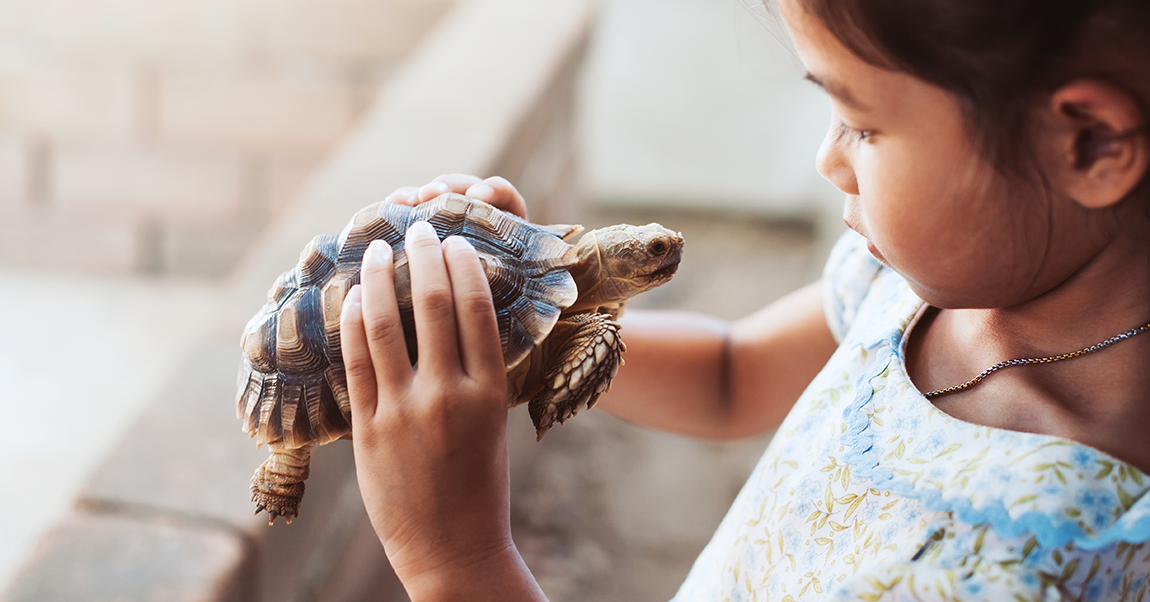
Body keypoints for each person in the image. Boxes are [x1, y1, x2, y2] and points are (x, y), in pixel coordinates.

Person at [336, 0, 1150, 599]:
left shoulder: (1036, 561)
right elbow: (732, 373)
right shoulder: (908, 286)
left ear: (1091, 143)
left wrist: (458, 560)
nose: (827, 158)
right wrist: (533, 314)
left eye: (863, 124)